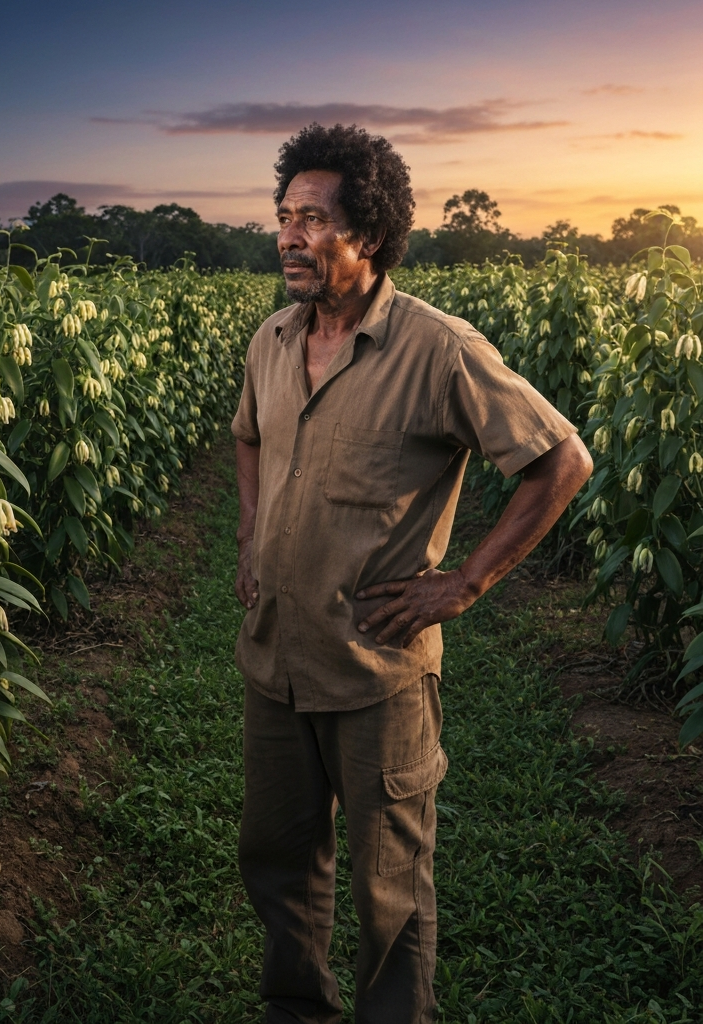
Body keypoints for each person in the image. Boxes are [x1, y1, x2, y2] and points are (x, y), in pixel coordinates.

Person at [231, 122, 593, 1024]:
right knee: (278, 862)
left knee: (388, 894)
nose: (289, 237)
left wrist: (465, 582)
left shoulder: (440, 350)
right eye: (284, 217)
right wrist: (249, 531)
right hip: (274, 660)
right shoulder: (274, 338)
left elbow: (561, 462)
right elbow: (247, 436)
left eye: (313, 219)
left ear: (372, 236)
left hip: (376, 672)